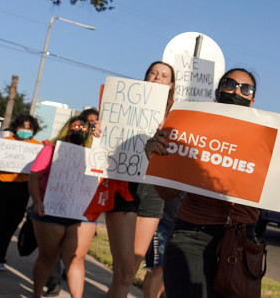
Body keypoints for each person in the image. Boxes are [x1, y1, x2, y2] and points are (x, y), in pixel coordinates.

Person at [148, 68, 261, 298]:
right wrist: (157, 159)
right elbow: (167, 193)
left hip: (240, 241)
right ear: (217, 93)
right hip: (192, 236)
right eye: (230, 84)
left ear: (252, 101)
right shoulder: (193, 129)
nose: (237, 91)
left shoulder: (264, 141)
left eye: (245, 88)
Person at [105, 61, 175, 298]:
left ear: (171, 84)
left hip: (153, 194)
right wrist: (98, 133)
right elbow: (107, 138)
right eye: (153, 73)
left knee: (131, 269)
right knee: (123, 271)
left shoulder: (176, 117)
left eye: (164, 76)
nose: (158, 78)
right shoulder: (123, 105)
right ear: (145, 78)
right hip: (123, 187)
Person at [28, 115, 100, 298]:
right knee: (47, 256)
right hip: (50, 210)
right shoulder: (50, 150)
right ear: (67, 129)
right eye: (76, 127)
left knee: (76, 258)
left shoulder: (95, 154)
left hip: (82, 214)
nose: (79, 131)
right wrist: (37, 202)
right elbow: (35, 177)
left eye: (84, 129)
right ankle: (37, 294)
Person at [0, 114, 42, 274]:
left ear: (33, 130)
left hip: (22, 188)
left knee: (11, 225)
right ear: (15, 128)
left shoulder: (38, 147)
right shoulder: (3, 143)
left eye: (29, 128)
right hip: (1, 186)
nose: (25, 130)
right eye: (23, 127)